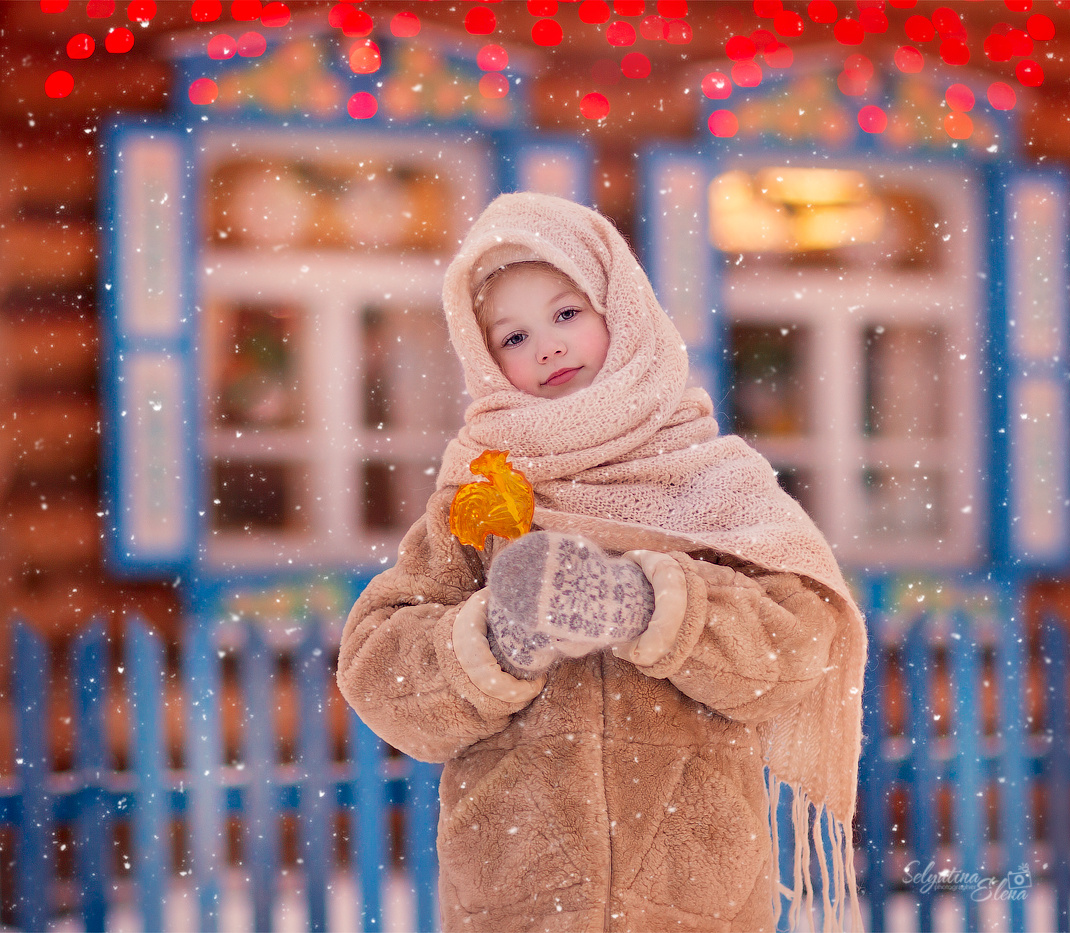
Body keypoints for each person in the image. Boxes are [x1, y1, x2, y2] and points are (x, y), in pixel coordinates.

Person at [336, 192, 867, 933]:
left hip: (695, 897)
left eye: (566, 313)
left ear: (623, 309)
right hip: (518, 895)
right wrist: (494, 640)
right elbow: (377, 669)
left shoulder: (709, 477)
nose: (546, 346)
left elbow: (796, 644)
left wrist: (647, 604)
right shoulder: (483, 492)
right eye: (511, 337)